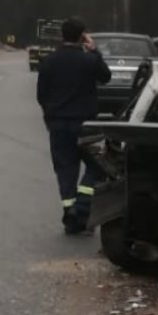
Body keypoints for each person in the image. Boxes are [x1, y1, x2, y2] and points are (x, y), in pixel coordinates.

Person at [36, 18, 111, 234]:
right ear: (82, 37)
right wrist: (94, 51)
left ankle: (70, 212)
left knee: (65, 169)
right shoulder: (89, 61)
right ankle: (83, 206)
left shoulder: (49, 61)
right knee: (97, 165)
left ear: (62, 35)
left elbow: (42, 95)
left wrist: (49, 116)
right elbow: (105, 76)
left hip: (58, 125)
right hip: (86, 125)